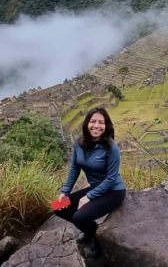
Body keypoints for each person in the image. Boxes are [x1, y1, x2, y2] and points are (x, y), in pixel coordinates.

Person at [54, 106, 127, 257]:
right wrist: (65, 191)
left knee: (78, 217)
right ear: (87, 123)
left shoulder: (111, 148)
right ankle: (92, 230)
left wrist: (89, 197)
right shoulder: (79, 144)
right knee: (58, 207)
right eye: (93, 121)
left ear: (106, 126)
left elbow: (111, 178)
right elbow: (75, 168)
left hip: (113, 191)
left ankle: (97, 240)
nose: (97, 125)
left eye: (101, 122)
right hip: (95, 187)